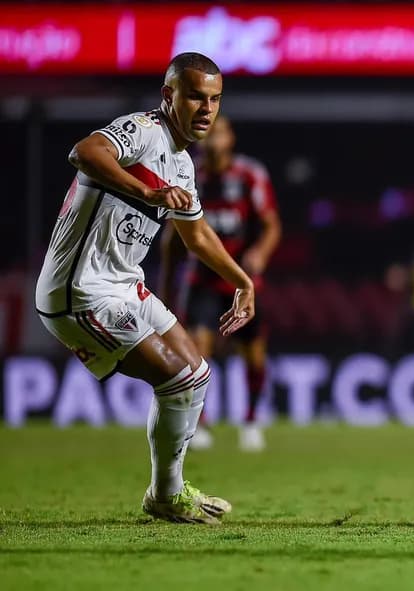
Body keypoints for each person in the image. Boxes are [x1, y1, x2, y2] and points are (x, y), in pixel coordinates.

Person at [35, 52, 255, 524]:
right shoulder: (144, 129)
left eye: (214, 100)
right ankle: (166, 494)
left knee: (196, 371)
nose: (206, 109)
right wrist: (148, 193)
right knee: (178, 378)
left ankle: (165, 493)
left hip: (122, 285)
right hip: (81, 291)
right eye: (196, 96)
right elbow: (84, 152)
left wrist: (241, 280)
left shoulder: (182, 164)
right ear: (168, 95)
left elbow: (195, 234)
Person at [160, 115, 281, 452]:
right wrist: (167, 288)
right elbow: (172, 239)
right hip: (201, 280)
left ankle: (253, 420)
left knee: (254, 358)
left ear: (231, 139)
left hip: (242, 283)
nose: (213, 137)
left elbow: (272, 225)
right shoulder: (187, 174)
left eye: (220, 131)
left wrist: (259, 253)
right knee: (197, 354)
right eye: (209, 132)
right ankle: (200, 424)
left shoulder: (249, 175)